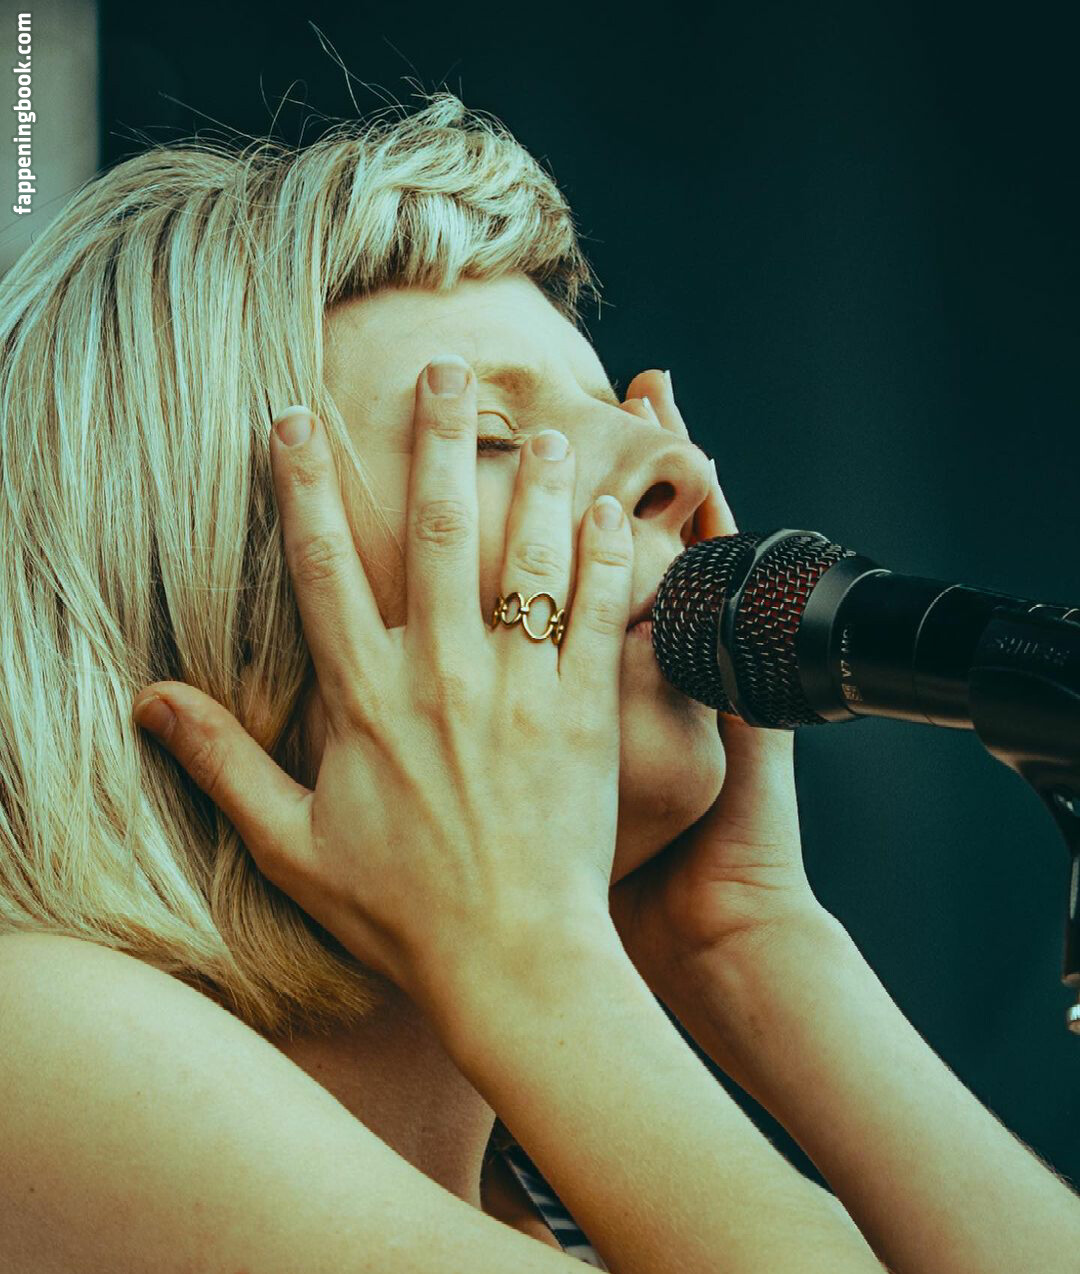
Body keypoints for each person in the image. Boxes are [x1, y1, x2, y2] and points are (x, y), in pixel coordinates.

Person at [0, 90, 1075, 1274]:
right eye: (495, 439)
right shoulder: (37, 1037)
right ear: (219, 613)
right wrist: (536, 957)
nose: (678, 462)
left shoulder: (558, 1195)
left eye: (616, 412)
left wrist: (756, 945)